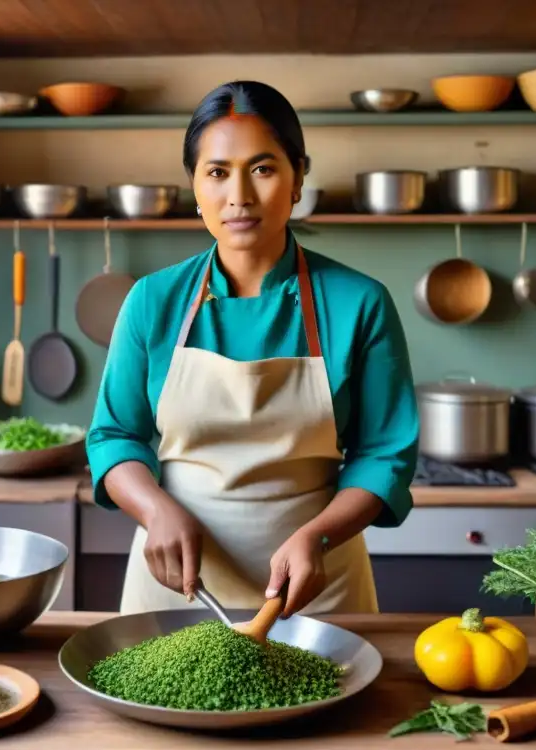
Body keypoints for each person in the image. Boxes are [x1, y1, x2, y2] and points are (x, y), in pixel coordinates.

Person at [86, 80, 419, 618]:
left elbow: (384, 455)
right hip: (176, 588)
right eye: (216, 173)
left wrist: (319, 536)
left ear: (297, 178)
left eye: (262, 169)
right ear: (195, 187)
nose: (238, 195)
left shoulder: (360, 303)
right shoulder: (153, 300)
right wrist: (155, 510)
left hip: (316, 590)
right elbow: (113, 436)